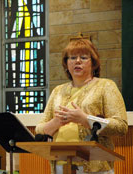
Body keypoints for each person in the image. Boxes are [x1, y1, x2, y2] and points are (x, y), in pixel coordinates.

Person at [35, 39, 128, 174]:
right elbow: (39, 129)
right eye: (72, 57)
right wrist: (55, 122)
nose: (77, 61)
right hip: (60, 165)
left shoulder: (105, 86)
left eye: (83, 57)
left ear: (93, 63)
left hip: (95, 167)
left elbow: (121, 126)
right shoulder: (57, 91)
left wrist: (85, 119)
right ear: (66, 63)